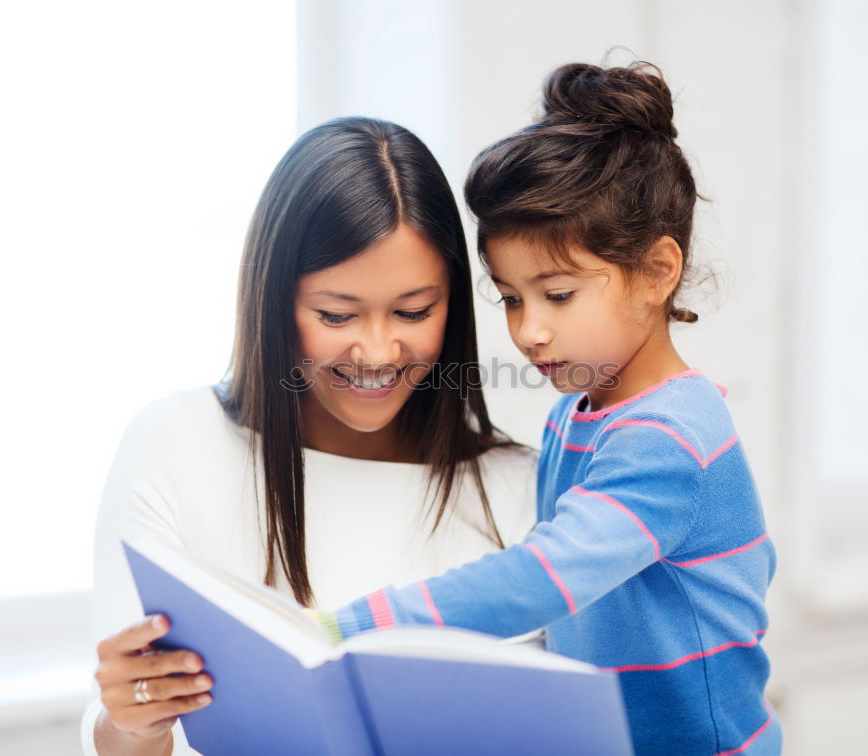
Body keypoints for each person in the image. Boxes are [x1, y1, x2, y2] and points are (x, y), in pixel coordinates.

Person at [313, 63, 780, 755]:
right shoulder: (579, 411)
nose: (529, 330)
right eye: (509, 297)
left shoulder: (671, 436)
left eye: (557, 294)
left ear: (657, 271)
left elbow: (543, 578)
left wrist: (348, 630)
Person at [81, 117, 538, 756]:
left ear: (454, 303)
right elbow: (131, 730)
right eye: (336, 314)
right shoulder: (175, 445)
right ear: (273, 301)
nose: (378, 351)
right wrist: (131, 725)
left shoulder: (521, 489)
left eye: (413, 311)